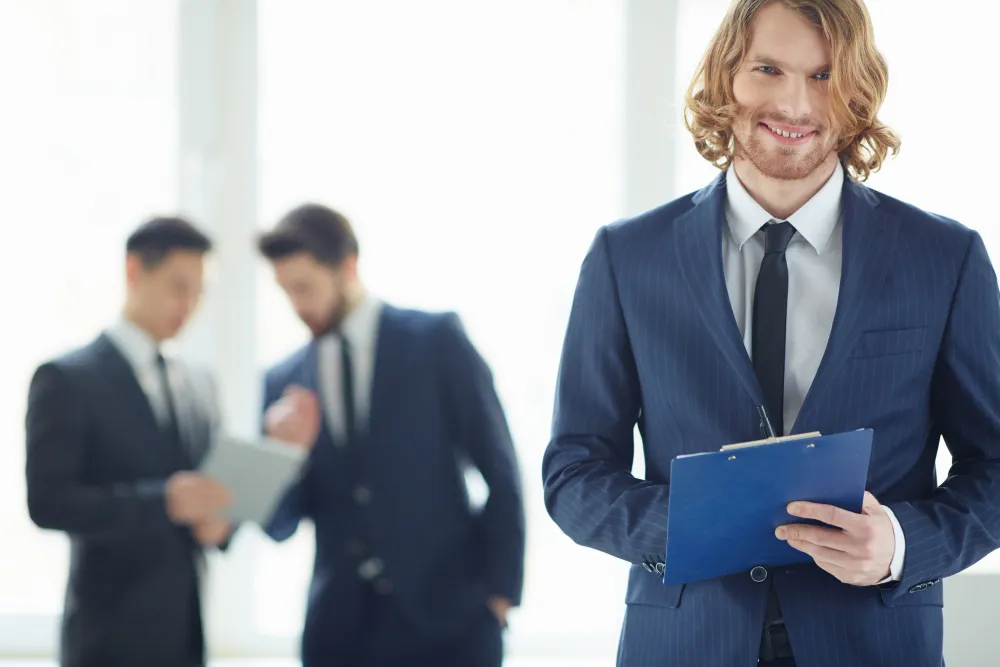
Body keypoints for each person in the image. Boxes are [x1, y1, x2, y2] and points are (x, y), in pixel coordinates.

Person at [542, 1, 1000, 665]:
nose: (794, 104)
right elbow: (573, 470)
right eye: (768, 68)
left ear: (858, 91)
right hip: (683, 642)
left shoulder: (944, 257)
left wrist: (901, 541)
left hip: (873, 642)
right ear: (728, 76)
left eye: (823, 76)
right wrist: (695, 528)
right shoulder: (627, 257)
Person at [255, 203, 525, 667]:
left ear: (347, 267)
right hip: (338, 634)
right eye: (285, 291)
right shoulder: (284, 382)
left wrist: (499, 592)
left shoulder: (436, 340)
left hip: (450, 622)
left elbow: (500, 466)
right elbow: (277, 526)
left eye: (305, 287)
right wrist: (284, 454)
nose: (298, 306)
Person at [26, 217, 234, 667]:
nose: (190, 304)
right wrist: (162, 501)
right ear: (135, 272)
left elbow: (210, 492)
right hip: (108, 640)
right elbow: (47, 502)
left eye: (200, 292)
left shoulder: (201, 384)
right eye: (179, 287)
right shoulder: (67, 378)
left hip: (187, 638)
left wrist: (222, 524)